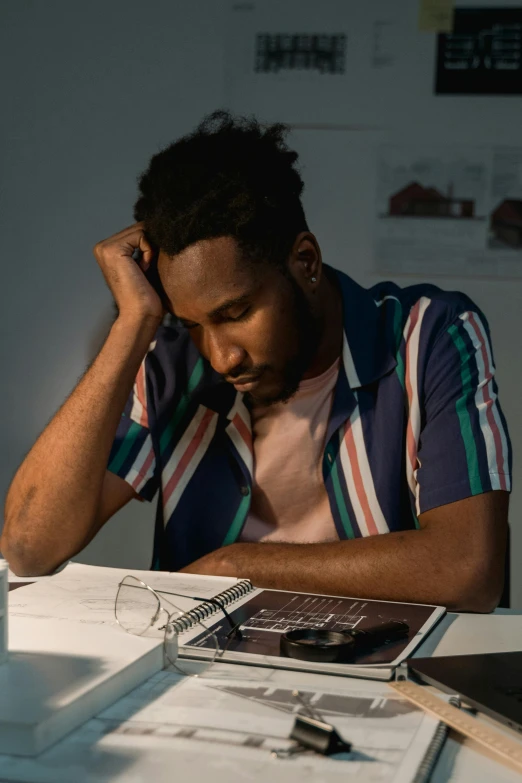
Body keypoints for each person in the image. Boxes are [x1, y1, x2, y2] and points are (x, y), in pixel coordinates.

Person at [2, 112, 512, 611]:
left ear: (305, 262)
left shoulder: (428, 335)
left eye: (237, 312)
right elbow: (27, 550)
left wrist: (236, 566)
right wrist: (132, 325)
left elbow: (468, 567)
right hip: (203, 675)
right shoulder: (171, 359)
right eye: (196, 324)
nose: (222, 357)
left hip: (373, 664)